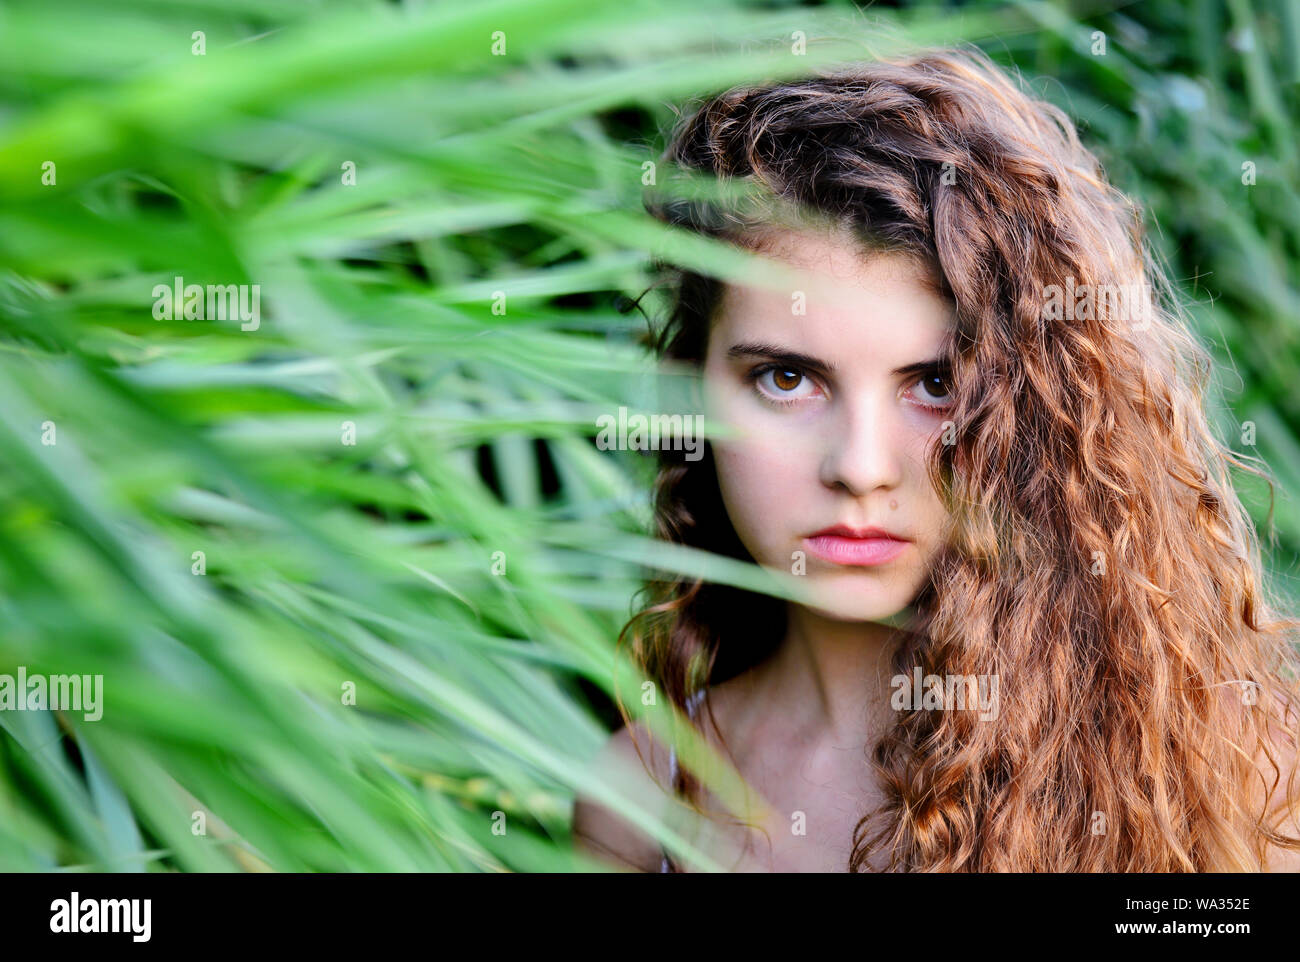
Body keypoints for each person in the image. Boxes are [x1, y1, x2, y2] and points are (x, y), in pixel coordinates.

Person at [571, 46, 1300, 872]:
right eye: (786, 378)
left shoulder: (1238, 771)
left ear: (1039, 405)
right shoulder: (643, 795)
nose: (860, 466)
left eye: (937, 384)